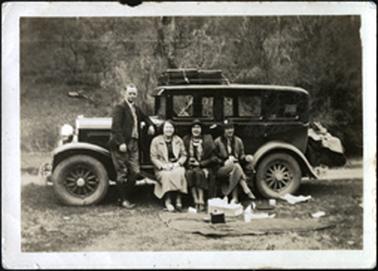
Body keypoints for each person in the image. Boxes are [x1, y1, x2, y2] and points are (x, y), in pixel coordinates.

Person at [108, 83, 155, 209]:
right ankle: (123, 200)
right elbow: (116, 127)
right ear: (125, 94)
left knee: (135, 171)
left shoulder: (135, 108)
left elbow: (145, 117)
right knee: (122, 172)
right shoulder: (120, 107)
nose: (132, 96)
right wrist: (121, 143)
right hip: (122, 144)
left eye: (134, 94)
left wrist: (150, 125)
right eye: (130, 93)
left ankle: (124, 197)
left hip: (134, 143)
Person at [214, 119, 256, 204]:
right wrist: (224, 161)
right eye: (227, 128)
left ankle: (234, 199)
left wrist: (246, 158)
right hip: (221, 168)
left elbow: (241, 156)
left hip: (235, 167)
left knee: (235, 169)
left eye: (231, 128)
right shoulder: (217, 141)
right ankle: (246, 188)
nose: (230, 130)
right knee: (236, 166)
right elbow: (213, 158)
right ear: (223, 130)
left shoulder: (238, 141)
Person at [150, 120, 188, 212]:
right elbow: (153, 157)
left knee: (180, 172)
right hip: (162, 166)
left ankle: (179, 200)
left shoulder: (178, 140)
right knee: (166, 175)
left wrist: (178, 164)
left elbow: (184, 155)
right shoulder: (156, 140)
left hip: (175, 164)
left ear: (174, 129)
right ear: (163, 129)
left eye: (171, 128)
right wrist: (163, 166)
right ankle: (168, 200)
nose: (169, 130)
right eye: (166, 127)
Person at [183, 119, 218, 212]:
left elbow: (214, 158)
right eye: (193, 127)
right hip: (190, 166)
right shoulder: (186, 140)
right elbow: (182, 154)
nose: (196, 130)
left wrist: (200, 163)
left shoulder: (208, 139)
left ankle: (201, 200)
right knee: (189, 173)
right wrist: (188, 161)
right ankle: (195, 200)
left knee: (199, 173)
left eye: (198, 127)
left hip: (205, 166)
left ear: (201, 129)